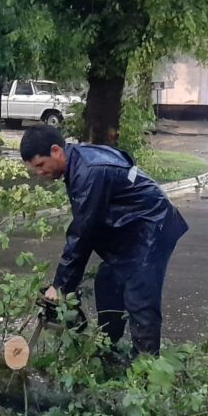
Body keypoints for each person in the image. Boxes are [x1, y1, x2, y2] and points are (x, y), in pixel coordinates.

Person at [19, 125, 188, 362]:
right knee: (108, 283)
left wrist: (60, 287)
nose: (39, 173)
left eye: (40, 165)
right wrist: (64, 286)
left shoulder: (89, 172)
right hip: (132, 231)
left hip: (153, 228)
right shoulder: (78, 161)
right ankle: (108, 352)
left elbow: (82, 234)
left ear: (56, 151)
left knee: (139, 296)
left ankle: (146, 370)